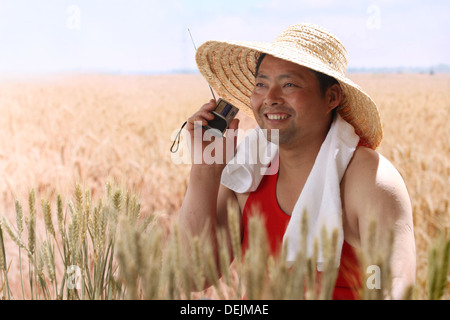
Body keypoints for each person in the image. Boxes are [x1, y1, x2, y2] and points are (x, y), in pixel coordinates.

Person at [178, 23, 416, 299]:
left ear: (331, 97)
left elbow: (394, 284)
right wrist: (205, 169)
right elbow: (193, 275)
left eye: (289, 84)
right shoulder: (248, 172)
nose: (270, 98)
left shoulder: (369, 180)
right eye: (261, 84)